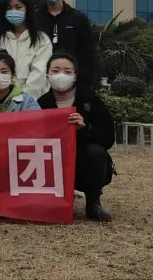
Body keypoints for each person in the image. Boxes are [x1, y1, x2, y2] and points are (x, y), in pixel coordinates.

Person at [38, 52, 115, 221]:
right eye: (55, 71)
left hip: (82, 160)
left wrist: (85, 128)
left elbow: (108, 137)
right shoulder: (41, 103)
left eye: (67, 72)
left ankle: (93, 201)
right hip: (52, 161)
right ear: (47, 74)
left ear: (75, 76)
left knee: (95, 153)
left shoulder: (89, 99)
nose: (61, 75)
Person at [34, 0, 97, 92]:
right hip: (40, 83)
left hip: (70, 82)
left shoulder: (79, 18)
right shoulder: (33, 19)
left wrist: (85, 85)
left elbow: (87, 54)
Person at [0, 0, 53, 98]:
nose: (13, 11)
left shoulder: (41, 40)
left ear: (27, 10)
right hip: (1, 98)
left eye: (18, 7)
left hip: (31, 100)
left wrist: (22, 98)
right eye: (9, 8)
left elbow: (39, 73)